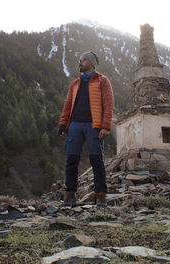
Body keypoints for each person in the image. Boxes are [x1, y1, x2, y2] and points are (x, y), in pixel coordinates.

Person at [58, 51, 114, 208]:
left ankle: (101, 197)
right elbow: (68, 105)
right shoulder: (75, 84)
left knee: (97, 161)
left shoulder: (103, 81)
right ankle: (69, 197)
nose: (80, 62)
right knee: (71, 161)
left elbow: (109, 105)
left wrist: (105, 126)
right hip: (75, 125)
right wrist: (63, 124)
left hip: (94, 126)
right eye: (79, 59)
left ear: (92, 63)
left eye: (83, 60)